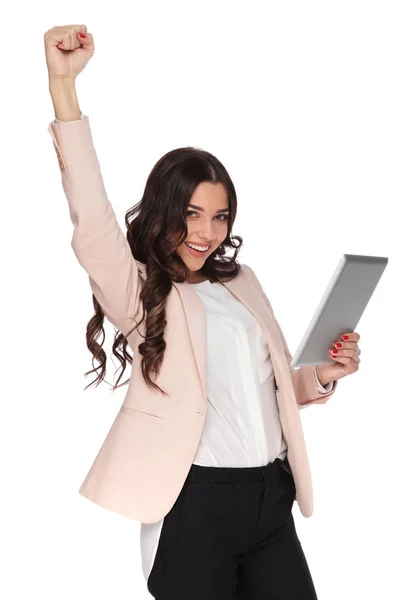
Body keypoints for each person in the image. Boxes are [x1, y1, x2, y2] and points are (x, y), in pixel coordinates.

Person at [44, 24, 347, 600]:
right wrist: (64, 88)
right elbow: (90, 213)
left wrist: (321, 377)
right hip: (196, 506)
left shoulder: (243, 283)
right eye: (192, 214)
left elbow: (271, 384)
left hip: (271, 500)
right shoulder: (140, 291)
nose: (207, 232)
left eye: (220, 216)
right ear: (163, 211)